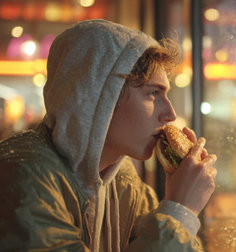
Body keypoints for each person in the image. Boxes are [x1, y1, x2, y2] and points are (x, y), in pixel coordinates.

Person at [0, 19, 217, 251]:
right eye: (153, 93)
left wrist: (179, 200)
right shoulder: (22, 174)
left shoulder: (122, 179)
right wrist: (179, 210)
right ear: (100, 94)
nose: (170, 114)